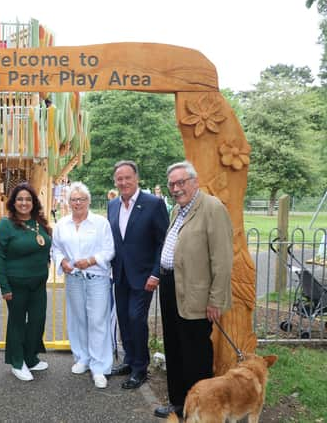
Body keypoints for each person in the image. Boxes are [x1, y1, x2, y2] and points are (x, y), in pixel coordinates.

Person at [154, 161, 233, 419]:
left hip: (197, 295)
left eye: (181, 182)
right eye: (172, 184)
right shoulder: (178, 210)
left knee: (195, 354)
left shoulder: (212, 208)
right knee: (175, 348)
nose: (176, 188)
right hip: (171, 287)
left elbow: (222, 260)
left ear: (194, 182)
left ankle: (201, 408)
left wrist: (215, 300)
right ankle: (179, 403)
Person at [107, 160, 169, 390]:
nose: (123, 182)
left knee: (136, 318)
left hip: (144, 276)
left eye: (127, 178)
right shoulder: (112, 205)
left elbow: (164, 242)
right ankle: (129, 360)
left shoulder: (153, 204)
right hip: (120, 274)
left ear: (136, 178)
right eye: (119, 179)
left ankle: (140, 369)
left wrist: (156, 273)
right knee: (124, 318)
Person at [52, 182, 115, 388]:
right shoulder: (62, 224)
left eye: (82, 199)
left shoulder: (100, 223)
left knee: (97, 321)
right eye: (74, 199)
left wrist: (90, 260)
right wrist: (62, 261)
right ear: (68, 202)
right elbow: (56, 248)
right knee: (79, 319)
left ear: (88, 201)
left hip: (96, 278)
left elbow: (109, 250)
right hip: (74, 279)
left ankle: (100, 367)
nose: (77, 203)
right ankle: (83, 358)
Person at [0, 183, 52, 381]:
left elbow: (46, 248)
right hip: (16, 284)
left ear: (33, 202)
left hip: (38, 284)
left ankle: (30, 357)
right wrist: (4, 286)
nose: (24, 203)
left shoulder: (39, 222)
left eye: (28, 199)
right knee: (17, 322)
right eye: (20, 199)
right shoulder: (5, 225)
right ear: (13, 202)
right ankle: (17, 362)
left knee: (37, 321)